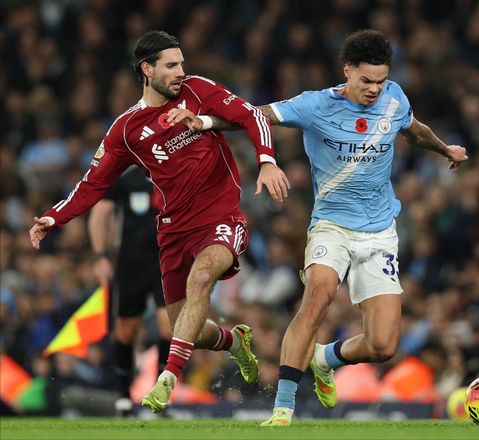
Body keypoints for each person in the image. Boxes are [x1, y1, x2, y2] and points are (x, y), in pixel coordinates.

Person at [195, 29, 468, 426]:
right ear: (347, 71)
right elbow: (255, 115)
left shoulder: (395, 97)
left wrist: (444, 148)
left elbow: (414, 130)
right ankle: (283, 408)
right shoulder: (314, 105)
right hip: (331, 226)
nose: (375, 89)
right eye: (367, 80)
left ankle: (325, 358)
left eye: (381, 80)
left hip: (379, 232)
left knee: (383, 345)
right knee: (318, 296)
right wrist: (204, 121)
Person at [29, 30, 290, 414]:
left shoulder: (198, 90)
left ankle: (168, 377)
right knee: (187, 327)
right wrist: (54, 217)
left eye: (181, 63)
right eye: (171, 65)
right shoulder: (126, 129)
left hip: (221, 218)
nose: (181, 71)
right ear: (147, 70)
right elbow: (93, 183)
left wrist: (266, 160)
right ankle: (236, 342)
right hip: (173, 231)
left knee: (202, 278)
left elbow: (251, 115)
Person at [87, 166, 171, 416]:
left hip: (166, 261)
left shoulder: (173, 171)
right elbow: (100, 214)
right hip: (130, 264)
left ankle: (161, 396)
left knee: (169, 327)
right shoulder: (125, 176)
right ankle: (123, 396)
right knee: (126, 330)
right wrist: (100, 256)